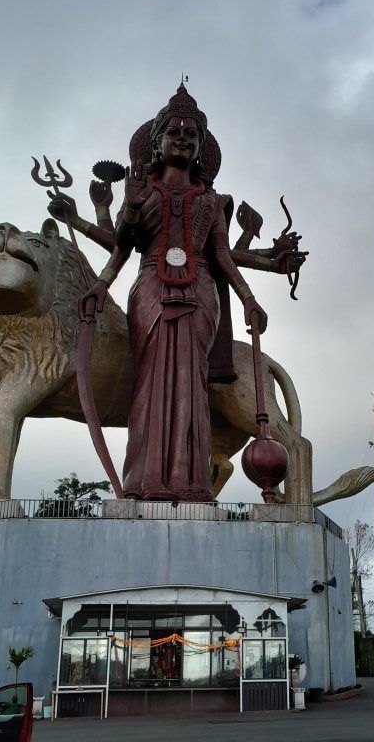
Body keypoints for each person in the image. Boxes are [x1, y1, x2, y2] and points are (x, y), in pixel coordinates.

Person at [79, 85, 268, 502]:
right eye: (174, 132)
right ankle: (141, 482)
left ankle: (191, 482)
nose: (182, 139)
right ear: (157, 143)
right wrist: (101, 283)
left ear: (201, 147)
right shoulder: (140, 191)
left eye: (191, 134)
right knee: (148, 382)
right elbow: (122, 245)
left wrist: (248, 297)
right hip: (150, 286)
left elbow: (222, 255)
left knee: (192, 383)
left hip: (200, 291)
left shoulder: (213, 202)